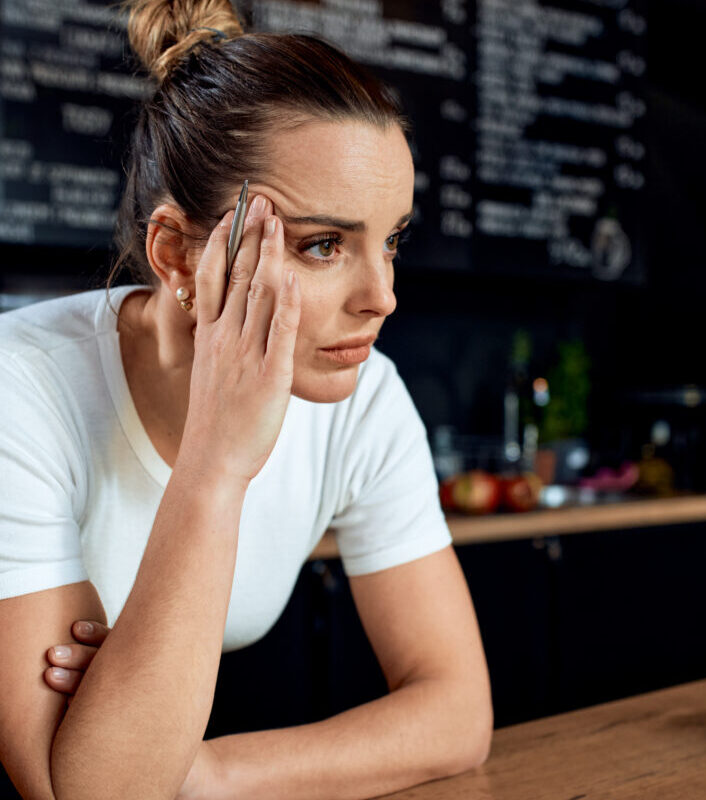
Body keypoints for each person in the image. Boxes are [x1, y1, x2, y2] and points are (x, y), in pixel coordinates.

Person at [0, 1, 493, 798]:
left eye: (391, 240)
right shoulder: (19, 393)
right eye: (323, 244)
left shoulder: (364, 401)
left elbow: (459, 712)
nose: (383, 297)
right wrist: (217, 466)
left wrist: (203, 773)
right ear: (176, 256)